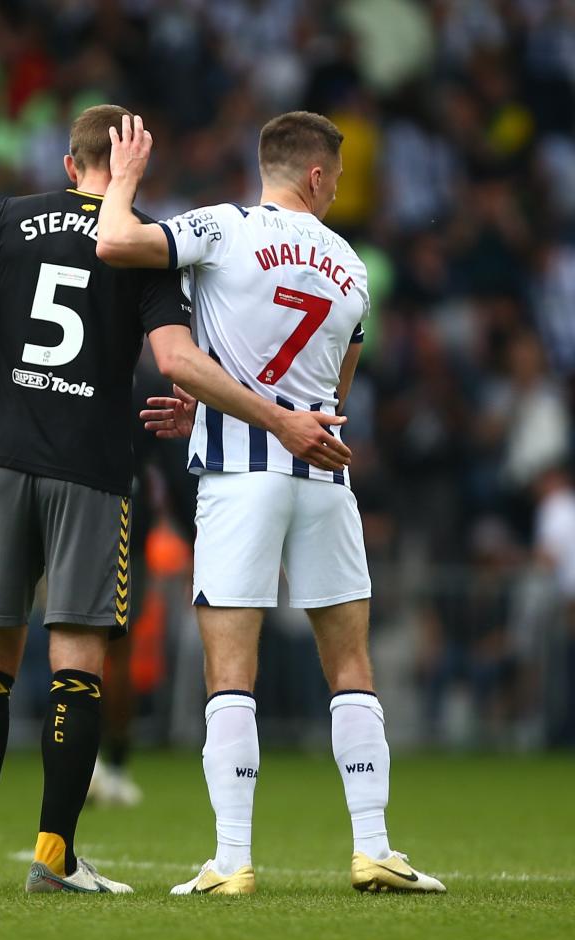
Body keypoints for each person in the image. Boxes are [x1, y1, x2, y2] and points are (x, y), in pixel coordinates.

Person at [0, 104, 350, 895]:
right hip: (93, 470)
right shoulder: (148, 244)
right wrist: (268, 416)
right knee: (76, 667)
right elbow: (177, 360)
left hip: (3, 458)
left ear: (66, 162)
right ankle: (55, 858)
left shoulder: (8, 220)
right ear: (126, 162)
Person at [98, 111, 445, 894]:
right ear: (317, 176)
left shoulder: (223, 227)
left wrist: (123, 179)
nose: (339, 191)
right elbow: (331, 394)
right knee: (350, 662)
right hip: (324, 476)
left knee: (231, 670)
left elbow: (116, 242)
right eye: (339, 178)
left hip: (238, 476)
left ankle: (231, 861)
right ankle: (374, 847)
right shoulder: (353, 266)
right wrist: (273, 415)